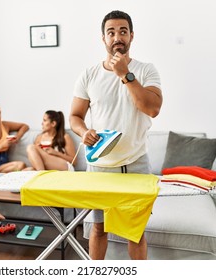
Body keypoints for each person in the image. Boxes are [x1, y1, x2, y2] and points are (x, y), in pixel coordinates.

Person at [69, 10, 163, 260]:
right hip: (99, 167)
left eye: (123, 31)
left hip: (136, 164)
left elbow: (152, 108)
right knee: (98, 230)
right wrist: (83, 131)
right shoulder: (88, 74)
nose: (117, 37)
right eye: (111, 32)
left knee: (135, 233)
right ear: (103, 39)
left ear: (132, 36)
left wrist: (125, 74)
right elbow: (75, 116)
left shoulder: (145, 70)